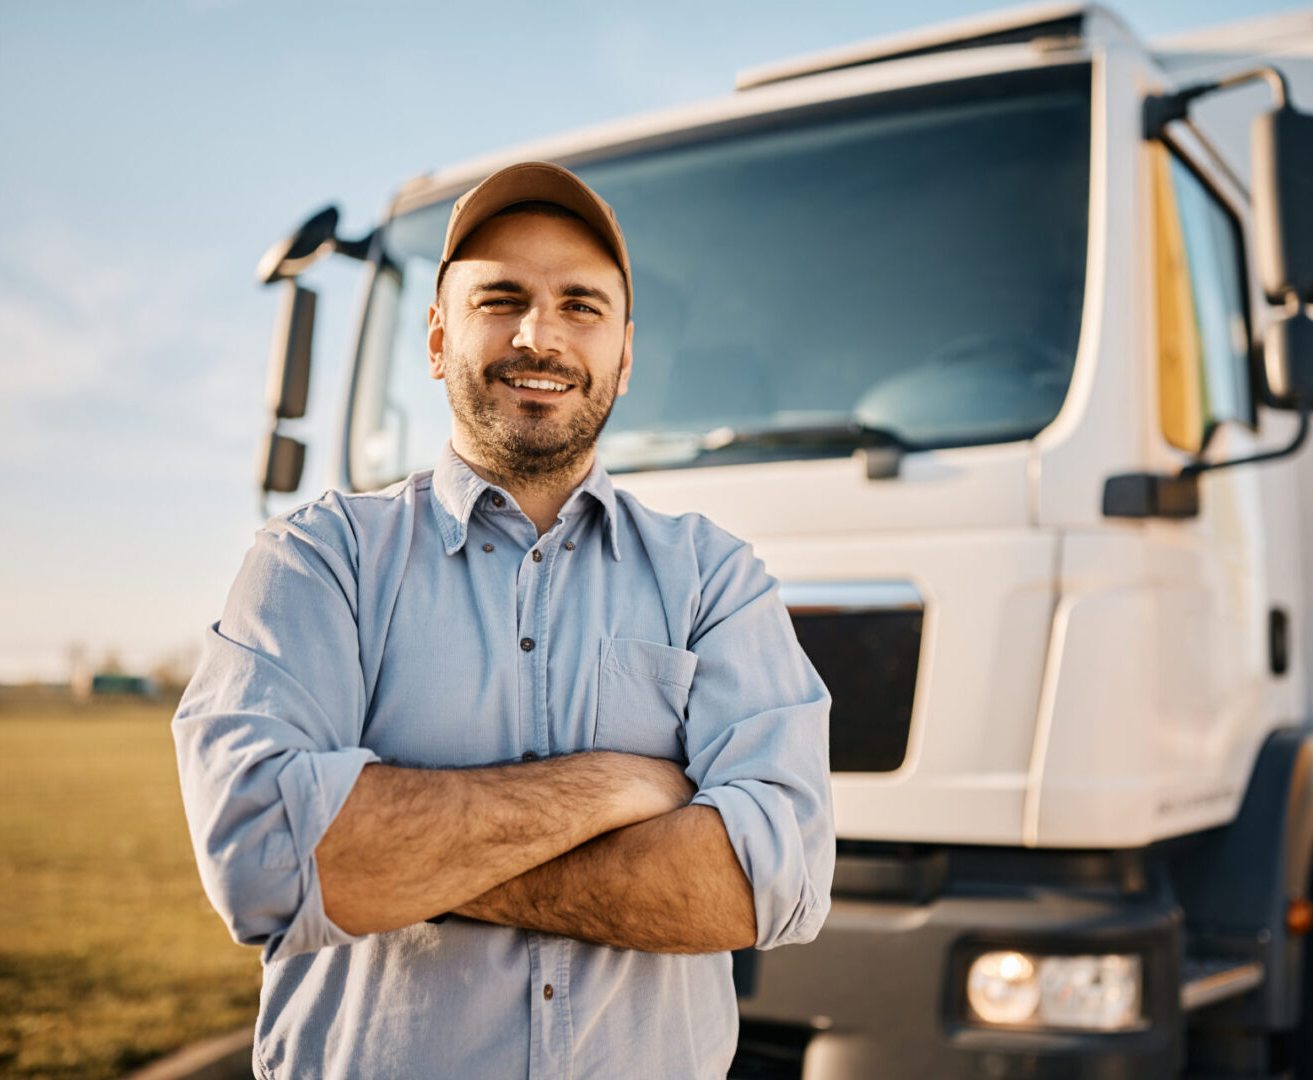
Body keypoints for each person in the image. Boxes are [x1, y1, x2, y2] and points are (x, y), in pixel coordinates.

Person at [173, 161, 834, 1079]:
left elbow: (768, 883)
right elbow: (266, 862)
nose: (540, 336)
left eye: (581, 306)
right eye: (501, 298)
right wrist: (611, 788)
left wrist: (404, 866)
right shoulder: (317, 561)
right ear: (439, 338)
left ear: (625, 355)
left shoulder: (714, 579)